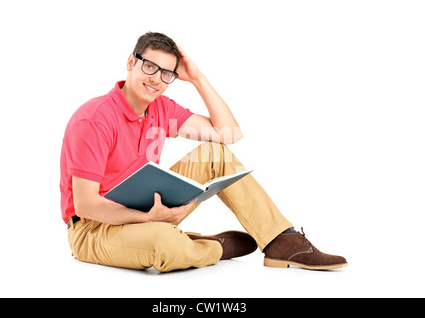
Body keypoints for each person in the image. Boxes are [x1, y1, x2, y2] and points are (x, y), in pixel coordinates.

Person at [60, 32, 347, 272]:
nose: (156, 79)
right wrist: (149, 219)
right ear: (130, 62)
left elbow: (228, 134)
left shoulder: (160, 108)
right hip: (92, 229)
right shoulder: (94, 119)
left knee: (215, 153)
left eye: (166, 73)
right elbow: (86, 205)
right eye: (149, 66)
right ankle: (209, 247)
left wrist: (197, 78)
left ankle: (281, 241)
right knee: (164, 244)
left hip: (147, 208)